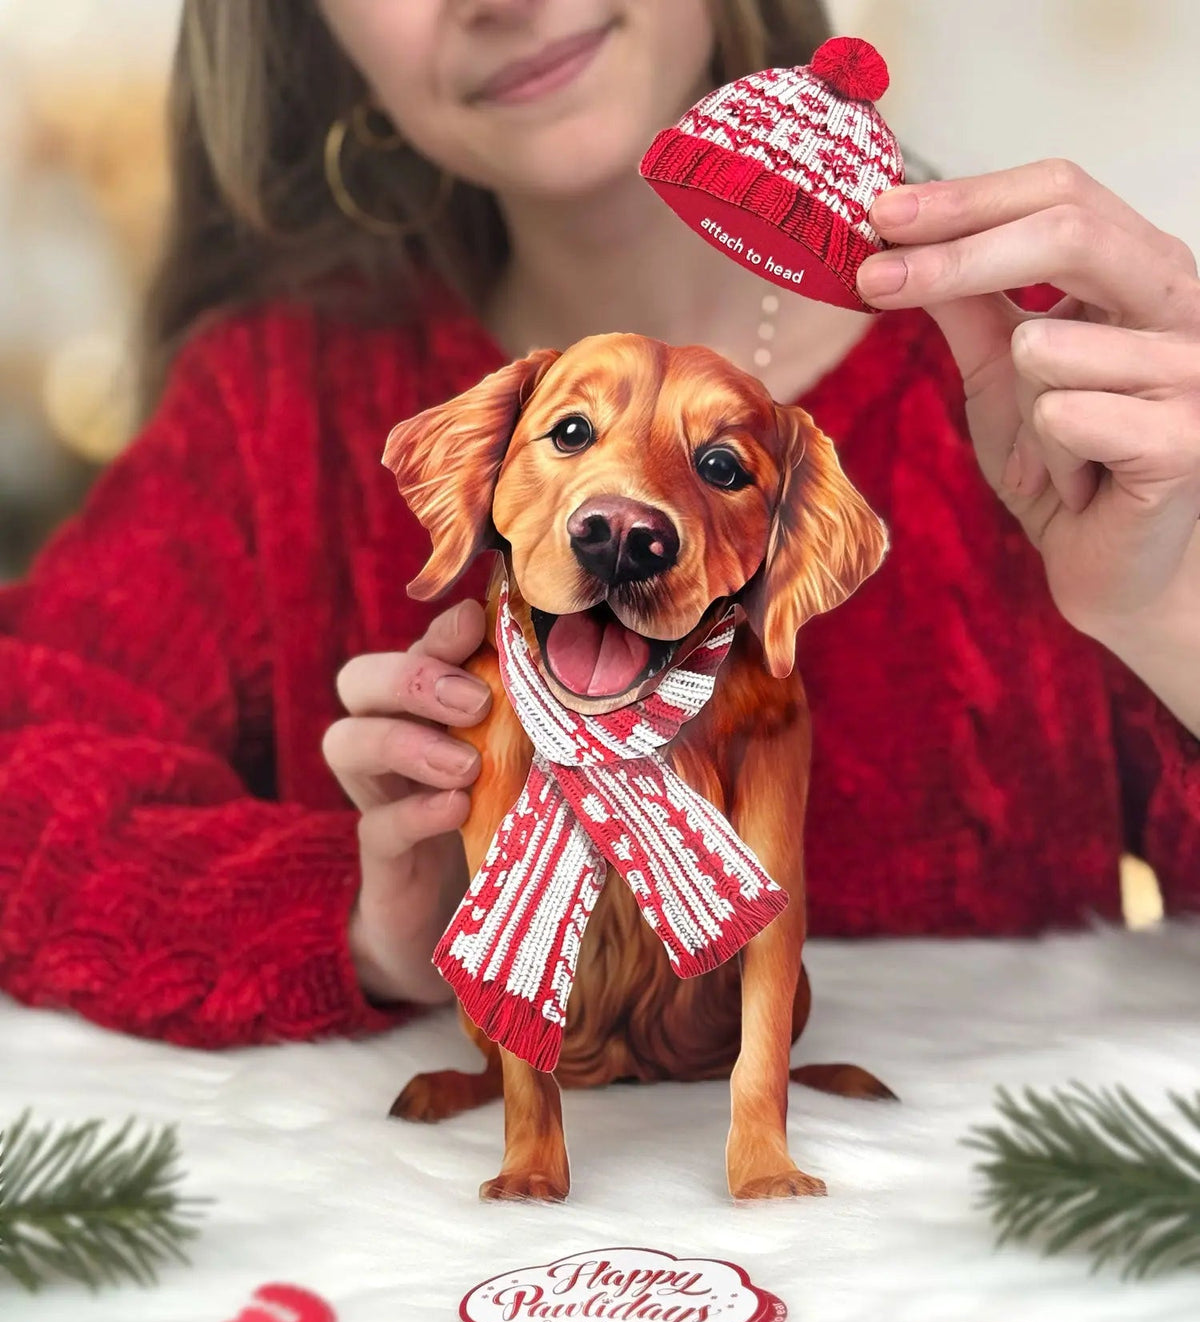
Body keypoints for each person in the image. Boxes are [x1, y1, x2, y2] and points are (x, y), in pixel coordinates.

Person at [1, 0, 1197, 1049]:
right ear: (309, 30)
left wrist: (1168, 610)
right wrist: (359, 922)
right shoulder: (275, 407)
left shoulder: (1059, 392)